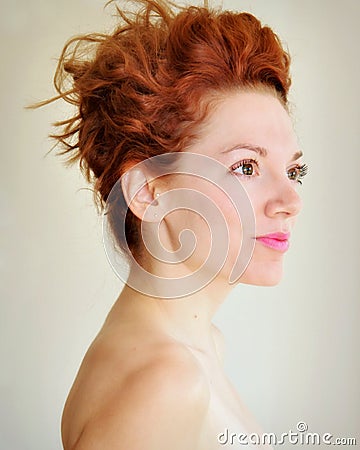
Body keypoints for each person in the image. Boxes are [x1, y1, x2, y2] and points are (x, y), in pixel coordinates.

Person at [40, 0, 308, 448]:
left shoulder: (201, 345)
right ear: (147, 191)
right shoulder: (167, 382)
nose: (291, 201)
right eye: (246, 167)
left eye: (294, 171)